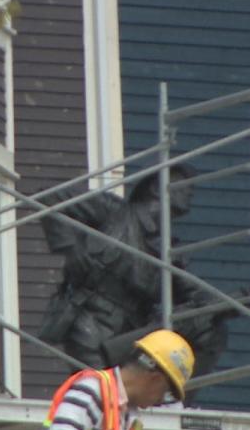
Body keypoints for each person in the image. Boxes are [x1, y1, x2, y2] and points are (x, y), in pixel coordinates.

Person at [39, 164, 227, 384]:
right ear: (156, 188)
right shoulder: (114, 212)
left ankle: (174, 400)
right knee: (102, 393)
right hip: (92, 324)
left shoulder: (169, 252)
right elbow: (51, 198)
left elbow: (198, 296)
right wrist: (71, 249)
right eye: (182, 185)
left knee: (210, 328)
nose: (190, 191)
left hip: (134, 338)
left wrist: (232, 302)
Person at [18, 329, 195, 430]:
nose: (160, 400)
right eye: (165, 393)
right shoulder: (94, 388)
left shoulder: (127, 419)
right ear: (155, 379)